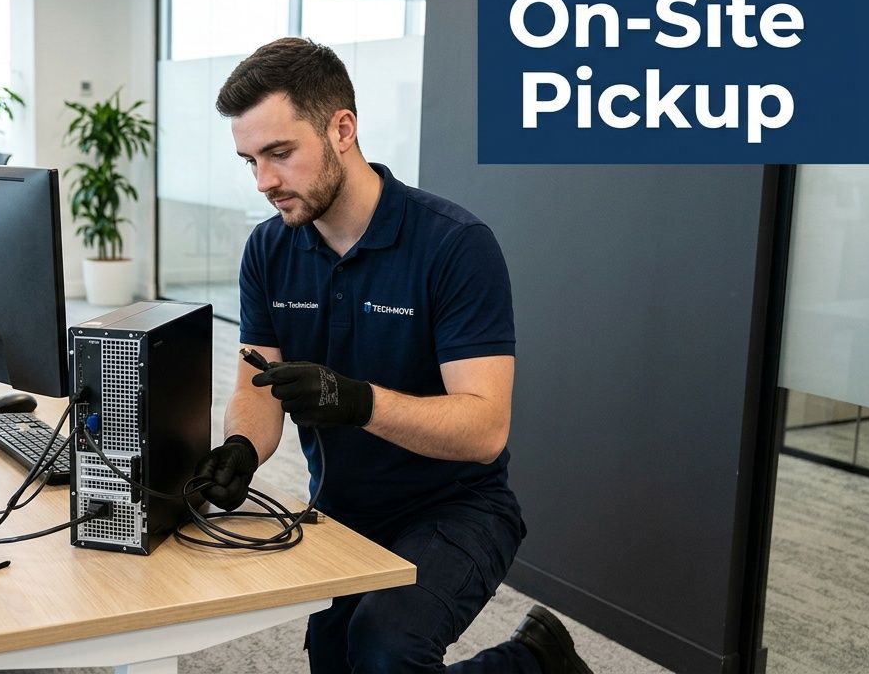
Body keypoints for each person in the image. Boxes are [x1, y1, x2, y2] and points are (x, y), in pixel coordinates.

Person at [192, 37, 592, 674]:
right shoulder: (268, 251)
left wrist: (356, 401)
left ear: (342, 129)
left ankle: (534, 663)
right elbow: (255, 387)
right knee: (339, 662)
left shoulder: (455, 246)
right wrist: (242, 449)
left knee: (384, 648)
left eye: (280, 153)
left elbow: (486, 431)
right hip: (343, 508)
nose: (265, 181)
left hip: (457, 508)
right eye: (250, 161)